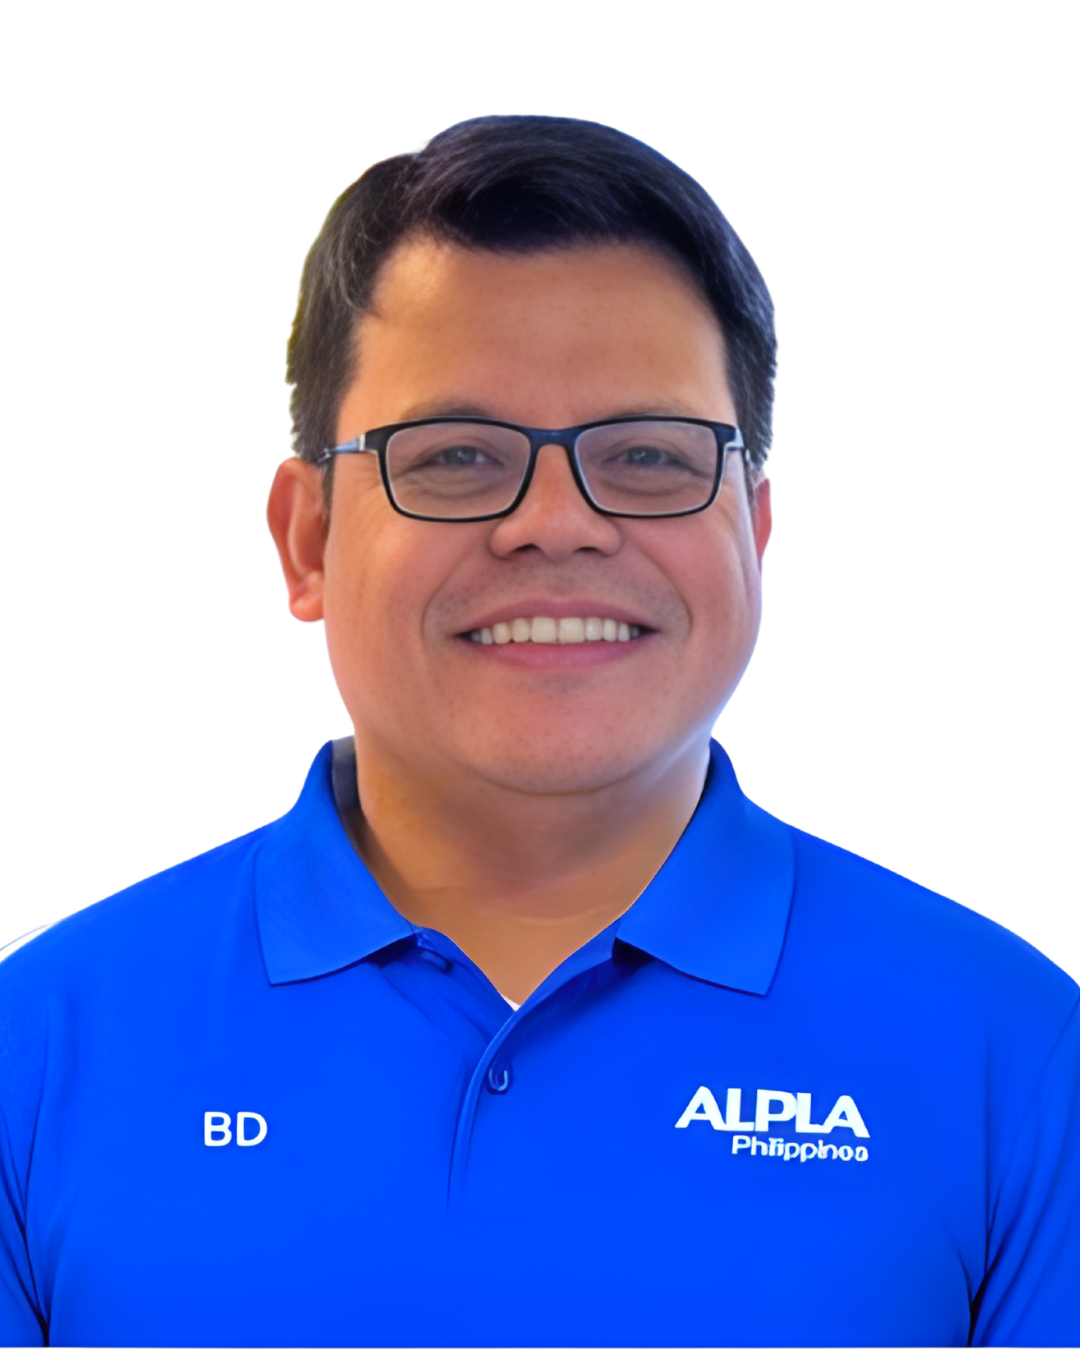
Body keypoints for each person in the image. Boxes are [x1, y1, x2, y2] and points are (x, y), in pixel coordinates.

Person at [0, 116, 1076, 1349]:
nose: (555, 524)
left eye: (648, 456)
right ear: (308, 540)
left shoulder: (1017, 1061)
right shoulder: (39, 1054)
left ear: (754, 535)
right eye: (456, 457)